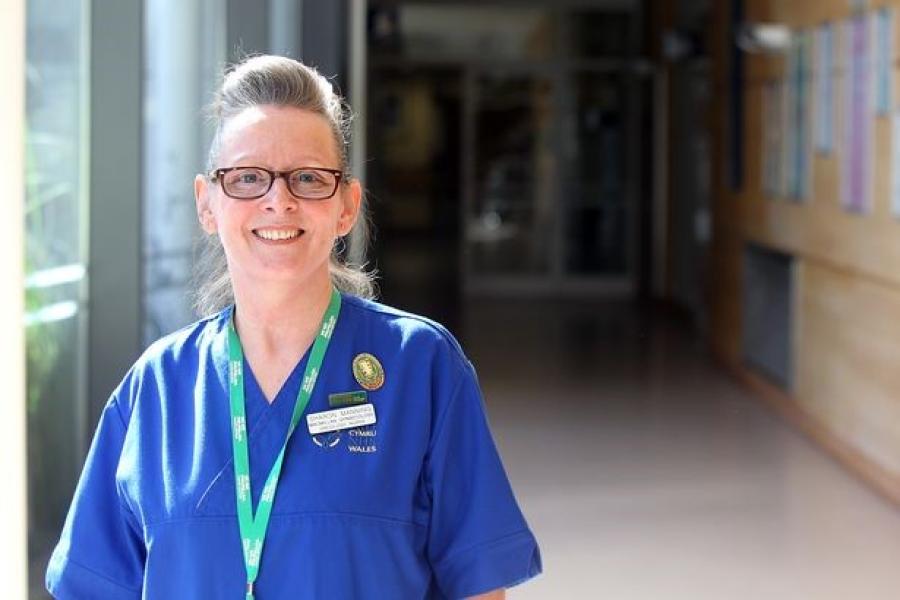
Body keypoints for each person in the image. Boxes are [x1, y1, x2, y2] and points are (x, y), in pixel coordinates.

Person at [46, 54, 541, 599]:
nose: (278, 200)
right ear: (207, 204)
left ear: (346, 206)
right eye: (248, 178)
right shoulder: (158, 388)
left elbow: (479, 586)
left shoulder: (419, 366)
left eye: (307, 178)